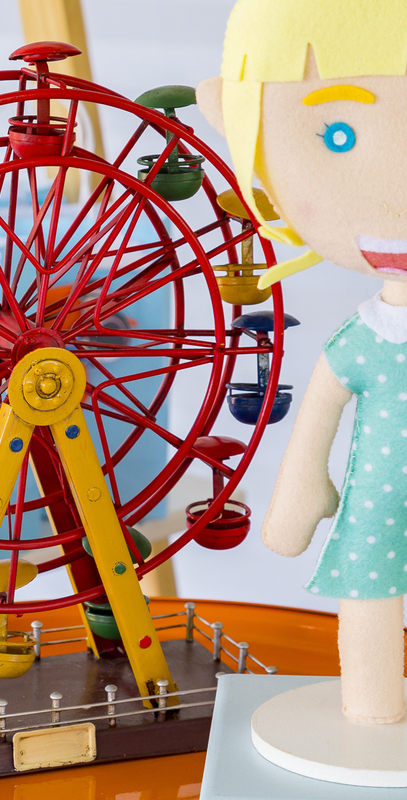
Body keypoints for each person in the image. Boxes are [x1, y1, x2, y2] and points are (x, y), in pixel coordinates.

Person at [199, 0, 407, 725]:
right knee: (371, 596)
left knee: (371, 589)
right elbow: (317, 419)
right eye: (338, 133)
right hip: (378, 500)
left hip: (380, 497)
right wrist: (300, 493)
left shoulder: (361, 341)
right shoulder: (364, 340)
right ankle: (374, 707)